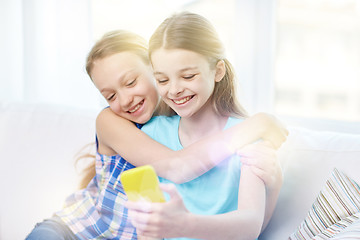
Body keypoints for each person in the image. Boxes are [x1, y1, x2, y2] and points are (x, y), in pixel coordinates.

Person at [26, 29, 287, 240]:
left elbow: (246, 226)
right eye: (110, 95)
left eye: (130, 82)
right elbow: (179, 166)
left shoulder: (176, 127)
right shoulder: (110, 121)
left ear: (154, 68)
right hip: (71, 232)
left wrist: (273, 184)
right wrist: (258, 124)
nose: (125, 99)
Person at [125, 12, 280, 240]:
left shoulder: (247, 136)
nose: (174, 89)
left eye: (188, 76)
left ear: (217, 71)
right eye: (163, 80)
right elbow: (147, 231)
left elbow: (250, 224)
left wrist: (185, 224)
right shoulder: (150, 135)